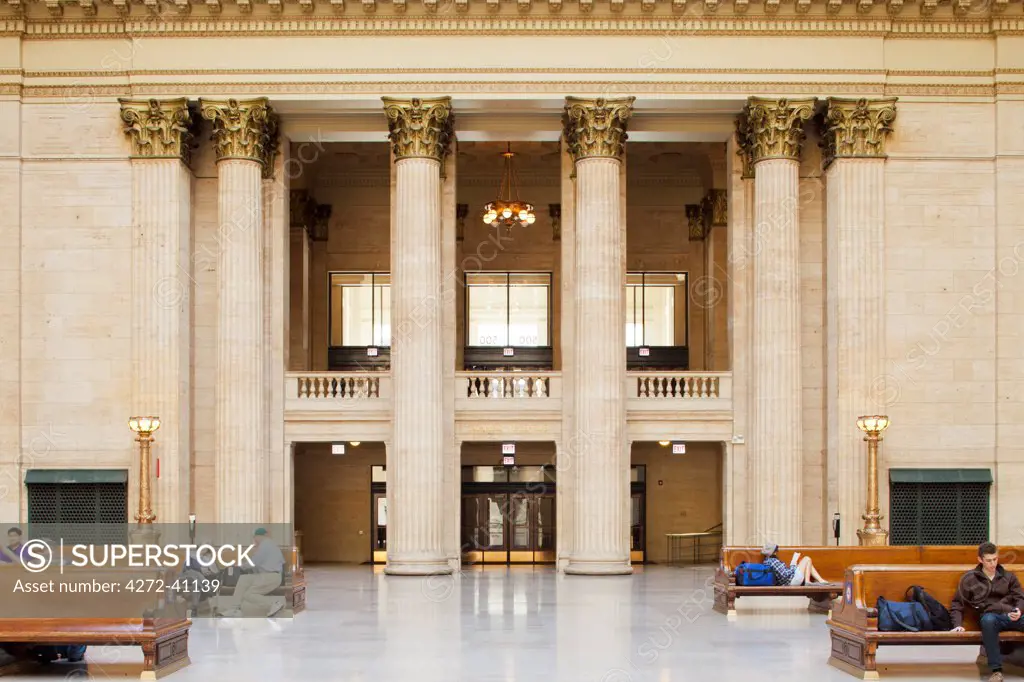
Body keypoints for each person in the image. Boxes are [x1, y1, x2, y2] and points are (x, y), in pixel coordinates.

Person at [950, 542, 1024, 682]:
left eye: (995, 559)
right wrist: (957, 624)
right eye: (989, 560)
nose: (993, 564)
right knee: (988, 621)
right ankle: (996, 671)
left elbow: (1020, 597)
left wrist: (1018, 610)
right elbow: (958, 603)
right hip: (991, 617)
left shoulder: (1008, 576)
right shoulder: (971, 579)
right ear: (980, 560)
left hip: (1010, 615)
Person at [215, 528, 286, 618]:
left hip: (270, 576)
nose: (254, 540)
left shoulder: (265, 545)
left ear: (258, 536)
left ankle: (273, 604)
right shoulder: (270, 545)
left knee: (248, 594)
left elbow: (253, 563)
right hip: (267, 575)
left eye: (254, 538)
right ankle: (234, 609)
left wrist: (239, 566)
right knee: (244, 579)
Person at [760, 543, 832, 586]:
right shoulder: (774, 561)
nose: (777, 552)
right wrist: (793, 563)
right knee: (807, 558)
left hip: (789, 581)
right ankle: (809, 581)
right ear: (773, 552)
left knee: (808, 563)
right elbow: (785, 574)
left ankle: (820, 580)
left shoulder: (767, 561)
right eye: (776, 551)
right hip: (791, 581)